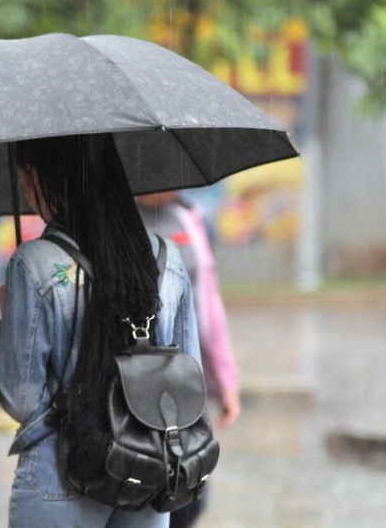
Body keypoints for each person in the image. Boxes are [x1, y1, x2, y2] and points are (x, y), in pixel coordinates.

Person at [0, 134, 201, 528]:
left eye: (23, 180)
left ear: (39, 177)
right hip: (148, 476)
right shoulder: (166, 259)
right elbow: (189, 382)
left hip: (60, 475)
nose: (24, 190)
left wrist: (7, 322)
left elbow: (19, 398)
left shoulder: (34, 264)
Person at [137, 191, 240, 528]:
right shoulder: (116, 216)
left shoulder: (189, 218)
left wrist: (225, 380)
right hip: (131, 386)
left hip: (184, 385)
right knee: (140, 486)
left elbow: (208, 307)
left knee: (190, 489)